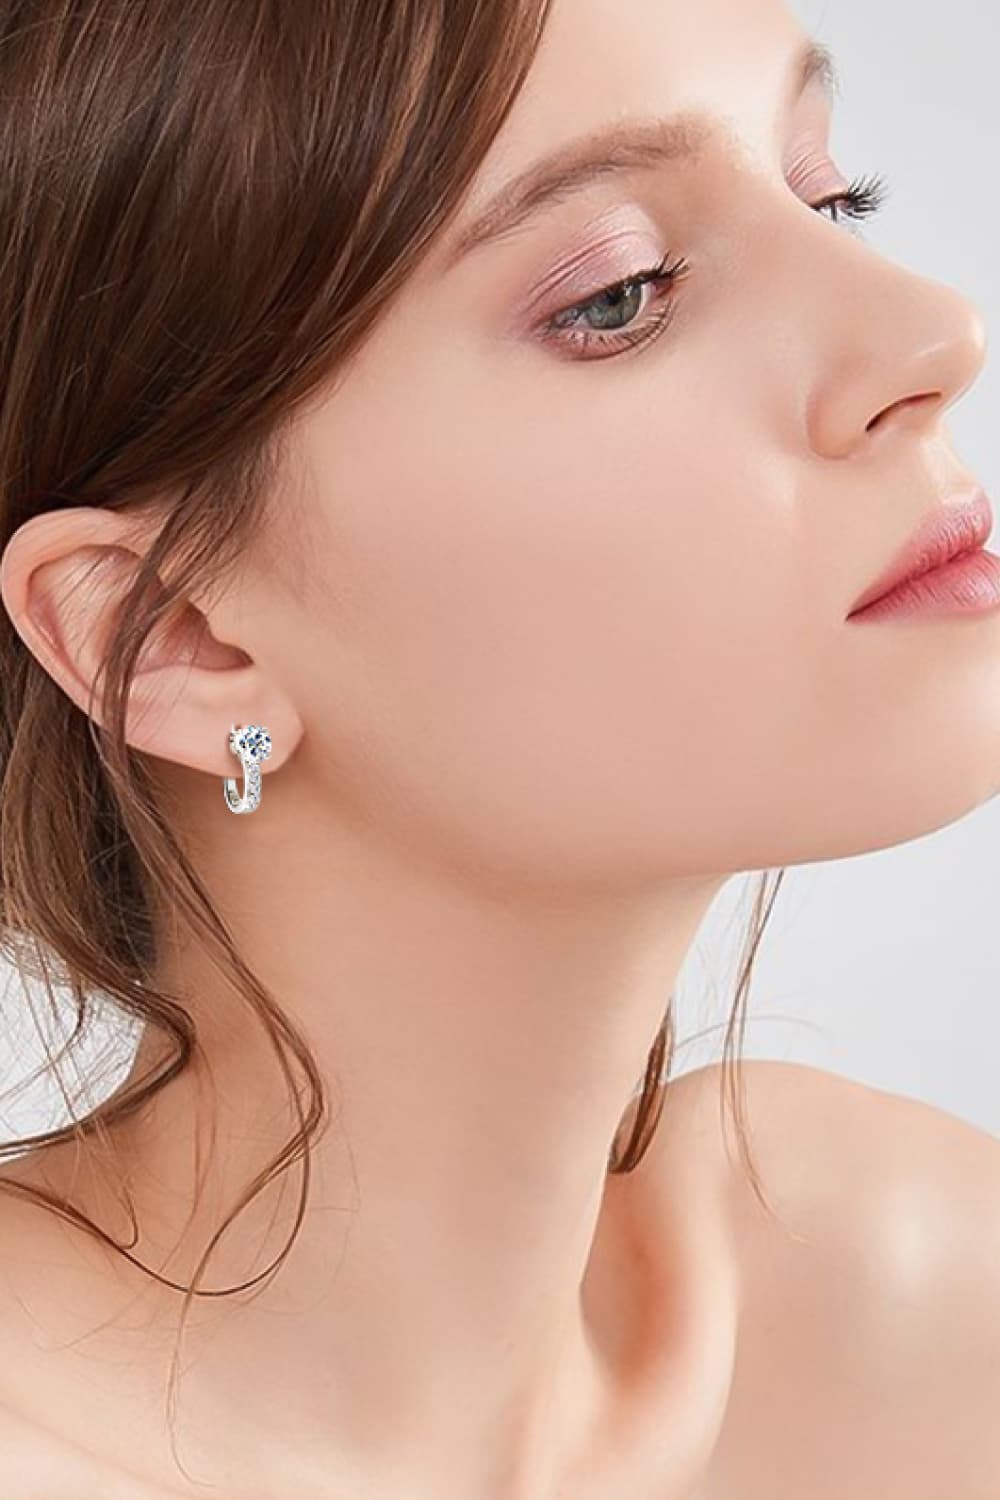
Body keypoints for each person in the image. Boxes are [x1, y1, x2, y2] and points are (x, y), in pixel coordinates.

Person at [0, 0, 997, 1494]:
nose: (935, 335)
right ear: (183, 640)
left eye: (829, 193)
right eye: (622, 294)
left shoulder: (902, 1286)